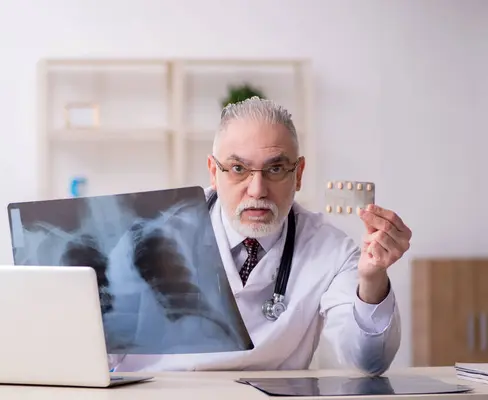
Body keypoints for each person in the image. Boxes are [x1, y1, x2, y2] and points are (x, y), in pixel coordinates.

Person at [110, 96, 411, 375]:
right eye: (238, 168)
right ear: (213, 173)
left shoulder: (331, 250)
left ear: (299, 173)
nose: (257, 190)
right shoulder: (145, 231)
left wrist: (372, 280)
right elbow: (92, 347)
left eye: (276, 168)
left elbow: (368, 362)